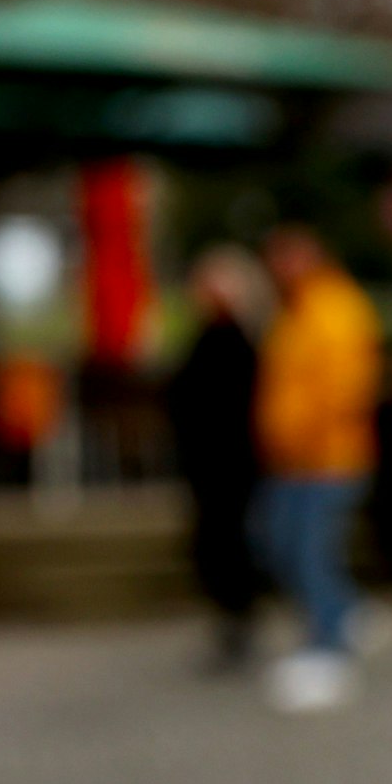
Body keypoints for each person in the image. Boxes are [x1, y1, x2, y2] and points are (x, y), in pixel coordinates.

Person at [252, 225, 382, 713]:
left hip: (326, 459)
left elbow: (346, 386)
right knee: (279, 544)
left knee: (308, 551)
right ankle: (344, 612)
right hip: (292, 460)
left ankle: (329, 651)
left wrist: (305, 435)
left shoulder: (336, 308)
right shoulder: (296, 310)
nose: (280, 267)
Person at [163, 246, 265, 670]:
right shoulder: (209, 338)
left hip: (232, 464)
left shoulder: (237, 342)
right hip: (209, 464)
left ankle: (238, 624)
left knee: (230, 544)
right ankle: (231, 622)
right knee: (216, 544)